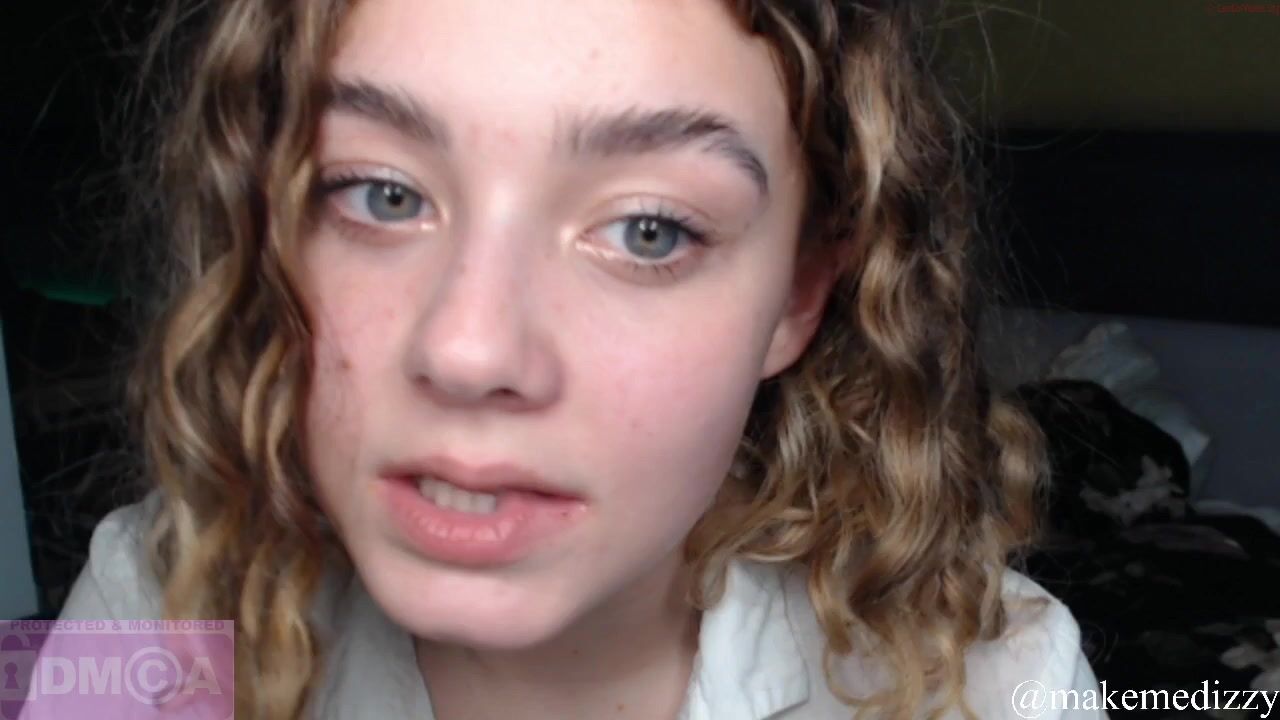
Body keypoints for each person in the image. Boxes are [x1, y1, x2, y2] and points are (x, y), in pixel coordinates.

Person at [52, 0, 1106, 718]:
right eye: (382, 194)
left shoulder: (1004, 677)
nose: (469, 350)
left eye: (650, 229)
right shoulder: (147, 592)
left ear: (796, 297)